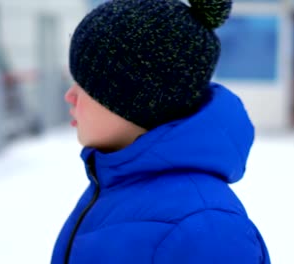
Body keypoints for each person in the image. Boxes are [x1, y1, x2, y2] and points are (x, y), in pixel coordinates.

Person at [51, 0, 271, 263]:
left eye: (84, 85)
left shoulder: (203, 228)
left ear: (134, 99)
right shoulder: (114, 183)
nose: (69, 96)